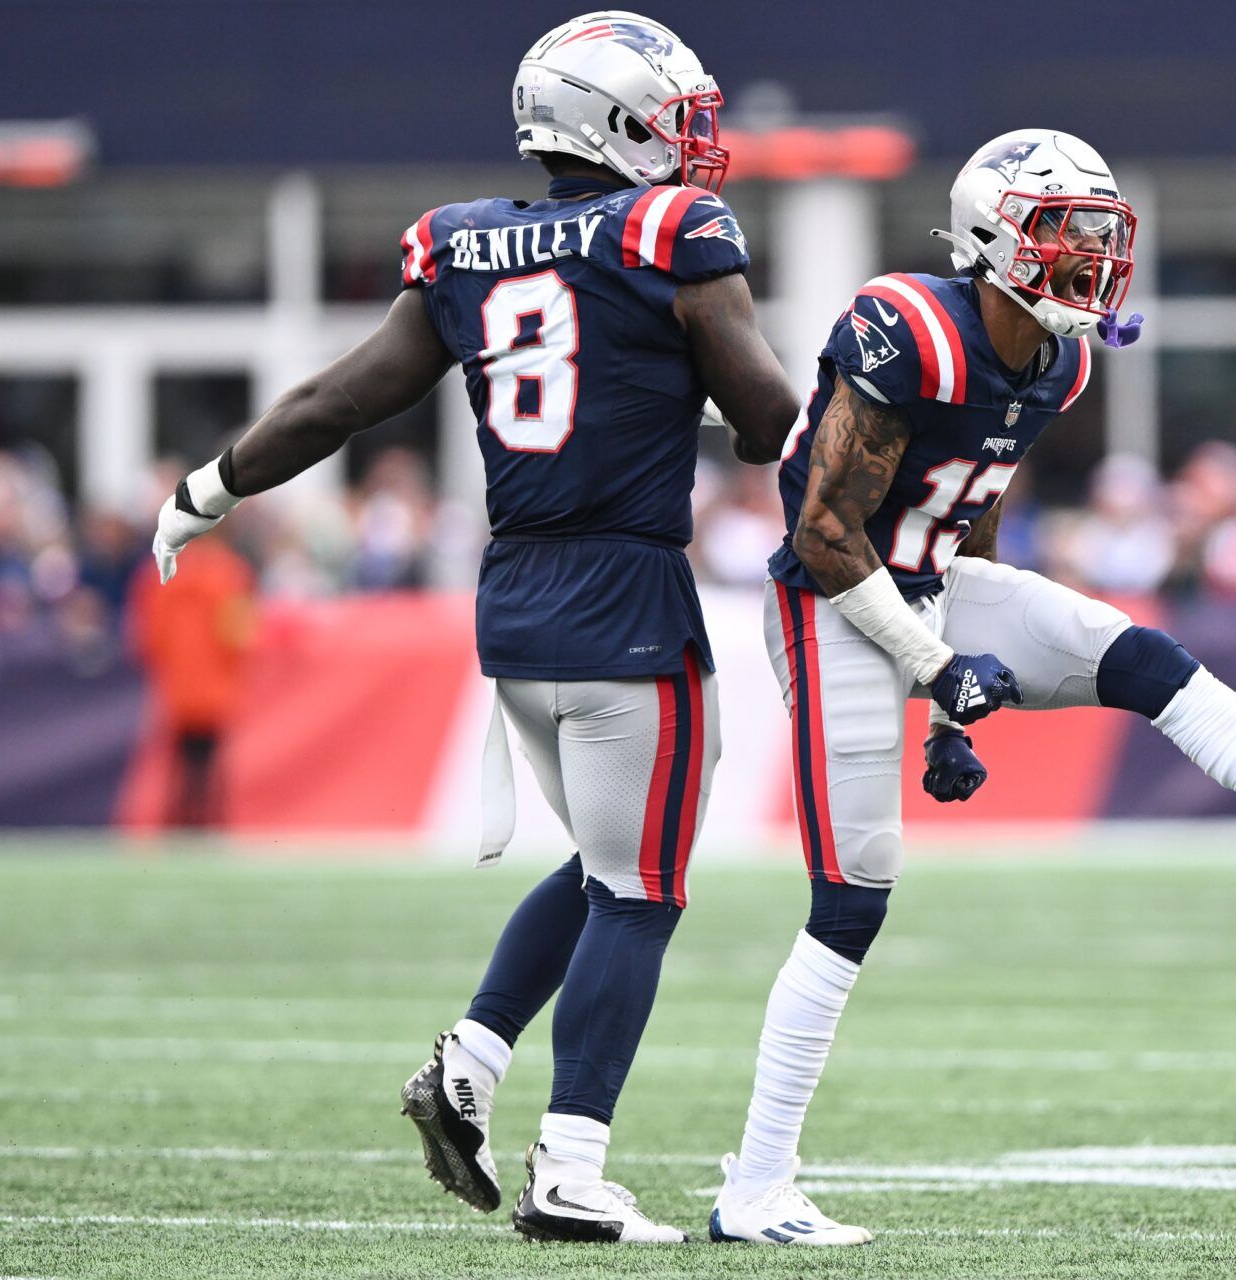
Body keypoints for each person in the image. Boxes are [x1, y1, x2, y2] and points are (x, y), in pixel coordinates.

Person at [705, 129, 1236, 1247]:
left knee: (1145, 658)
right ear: (992, 237)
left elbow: (972, 504)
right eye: (1063, 230)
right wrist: (933, 668)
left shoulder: (1057, 357)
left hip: (929, 579)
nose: (1089, 254)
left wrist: (952, 675)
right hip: (826, 600)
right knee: (852, 897)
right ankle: (755, 1187)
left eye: (1096, 232)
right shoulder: (909, 326)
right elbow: (822, 527)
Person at [149, 10, 797, 1245]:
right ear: (609, 119)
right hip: (627, 591)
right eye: (675, 112)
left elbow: (340, 400)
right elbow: (765, 415)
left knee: (612, 867)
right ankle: (572, 1163)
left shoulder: (463, 246)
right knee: (645, 888)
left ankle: (471, 1061)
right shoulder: (673, 228)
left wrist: (206, 490)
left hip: (516, 603)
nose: (696, 138)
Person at [125, 509, 255, 827]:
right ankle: (207, 823)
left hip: (177, 690)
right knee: (208, 767)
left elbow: (145, 637)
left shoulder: (159, 570)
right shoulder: (230, 571)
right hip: (216, 691)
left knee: (181, 766)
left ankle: (179, 823)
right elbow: (238, 635)